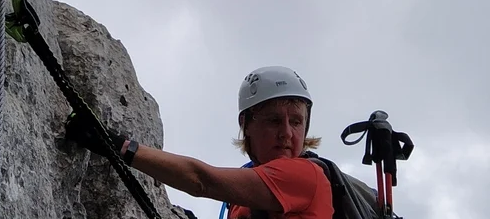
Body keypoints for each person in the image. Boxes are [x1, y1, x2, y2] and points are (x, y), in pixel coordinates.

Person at [66, 65, 335, 218]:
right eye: (274, 120)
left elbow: (200, 180)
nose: (287, 133)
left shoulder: (305, 175)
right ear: (246, 125)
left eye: (296, 121)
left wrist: (117, 145)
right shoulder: (243, 197)